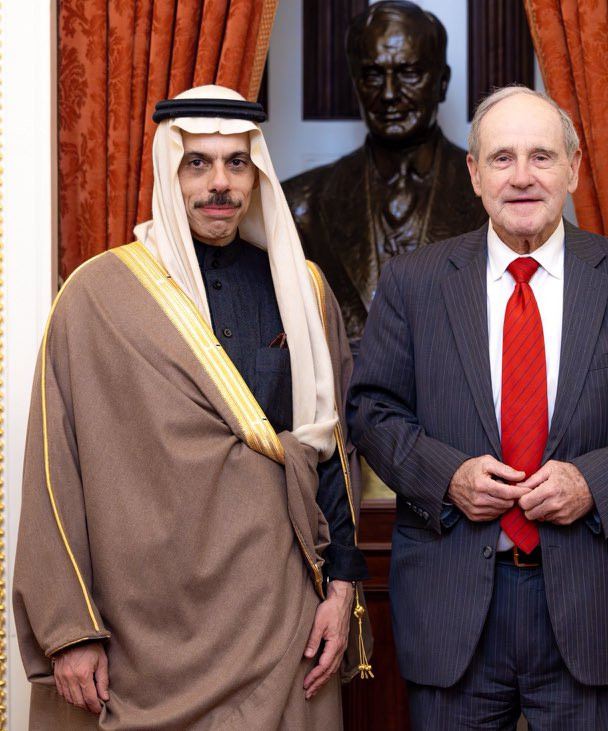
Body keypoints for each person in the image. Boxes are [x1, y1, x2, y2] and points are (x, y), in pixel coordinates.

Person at [347, 85, 608, 730]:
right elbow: (373, 411)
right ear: (474, 173)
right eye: (502, 158)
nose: (522, 177)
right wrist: (448, 477)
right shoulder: (413, 282)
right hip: (451, 601)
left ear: (574, 168)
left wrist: (592, 482)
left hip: (590, 601)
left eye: (542, 157)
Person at [14, 85, 370, 728]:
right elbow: (52, 473)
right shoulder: (95, 296)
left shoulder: (302, 289)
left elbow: (332, 455)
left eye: (237, 163)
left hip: (279, 614)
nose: (219, 183)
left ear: (257, 176)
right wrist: (70, 630)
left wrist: (341, 589)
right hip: (137, 632)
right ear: (168, 171)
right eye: (197, 163)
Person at [283, 0, 487, 355]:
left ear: (441, 82)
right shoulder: (301, 204)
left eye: (409, 73)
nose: (389, 94)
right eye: (373, 75)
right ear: (356, 85)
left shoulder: (492, 195)